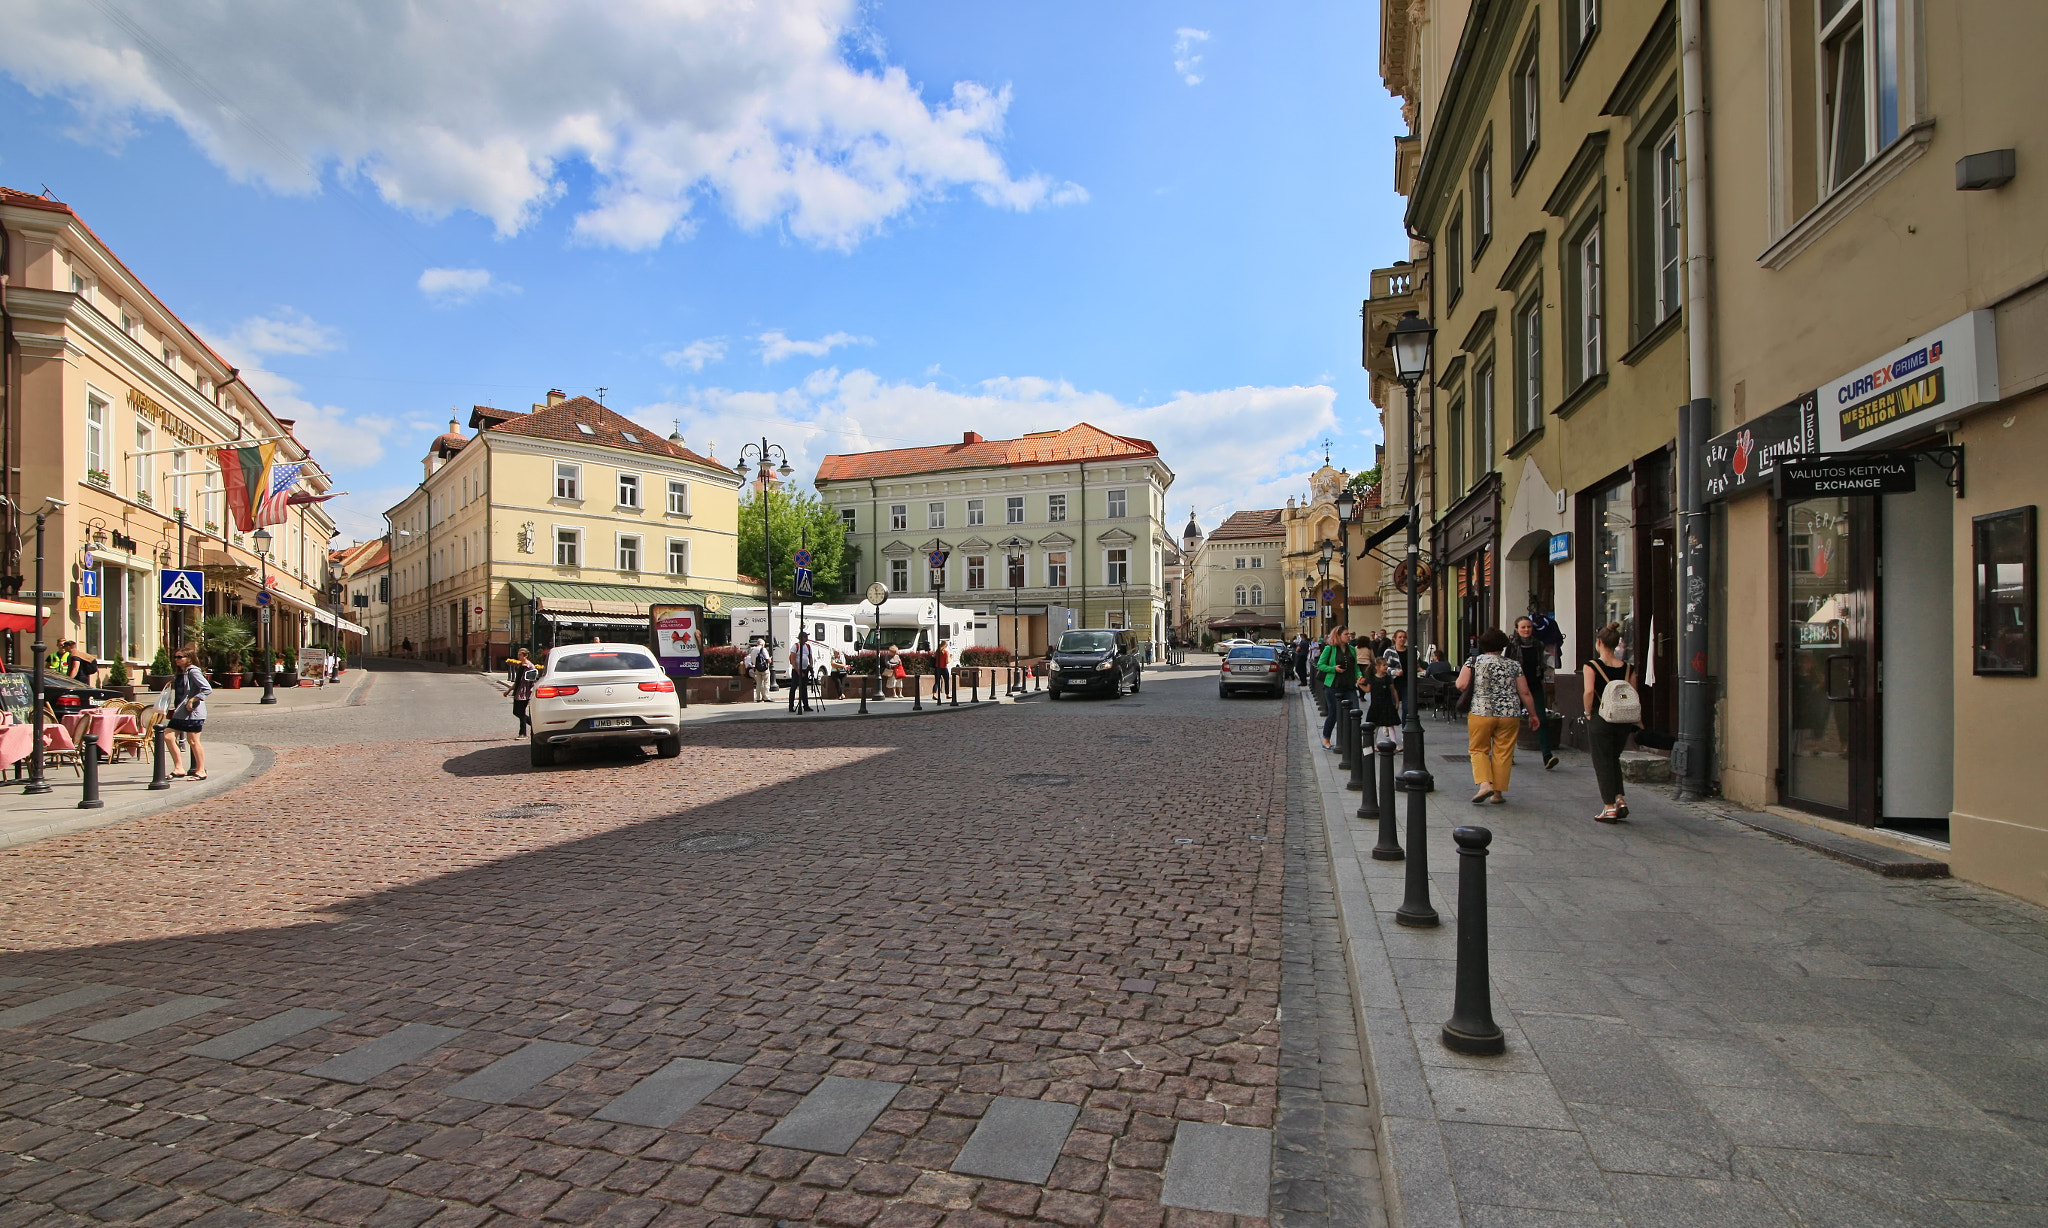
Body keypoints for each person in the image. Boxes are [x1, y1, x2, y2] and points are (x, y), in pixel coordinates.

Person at [1459, 627, 1541, 805]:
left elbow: (1461, 684)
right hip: (1509, 714)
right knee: (1503, 752)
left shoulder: (1474, 661)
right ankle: (1497, 793)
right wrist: (1533, 715)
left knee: (1479, 749)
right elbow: (1525, 692)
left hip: (1481, 711)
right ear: (1503, 645)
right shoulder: (1513, 665)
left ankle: (1484, 785)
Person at [1583, 623, 1639, 822]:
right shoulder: (1628, 668)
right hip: (1623, 719)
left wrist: (1587, 713)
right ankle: (1619, 798)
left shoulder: (1591, 666)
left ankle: (1609, 807)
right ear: (1616, 644)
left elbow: (1589, 691)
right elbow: (1632, 693)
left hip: (1602, 717)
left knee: (1602, 761)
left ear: (1599, 642)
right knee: (1614, 758)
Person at [1511, 615, 1560, 770]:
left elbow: (1542, 664)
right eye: (1523, 627)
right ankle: (1508, 754)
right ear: (1517, 629)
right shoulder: (1512, 646)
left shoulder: (1538, 644)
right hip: (1516, 687)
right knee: (1512, 720)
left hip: (1534, 685)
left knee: (1541, 718)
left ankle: (1547, 756)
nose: (1526, 630)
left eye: (1529, 627)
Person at [164, 646, 212, 780]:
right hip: (180, 712)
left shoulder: (193, 671)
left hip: (193, 712)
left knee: (193, 741)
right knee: (168, 735)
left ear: (189, 658)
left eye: (180, 657)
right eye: (175, 657)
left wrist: (194, 699)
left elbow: (207, 688)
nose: (176, 660)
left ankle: (201, 770)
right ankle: (179, 768)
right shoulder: (181, 672)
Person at [1316, 627, 1359, 749]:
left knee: (1355, 712)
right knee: (1333, 714)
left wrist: (1359, 677)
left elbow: (1355, 667)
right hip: (1333, 686)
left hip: (1349, 686)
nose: (1348, 636)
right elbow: (1320, 665)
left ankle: (1352, 740)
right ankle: (1326, 739)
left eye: (1349, 634)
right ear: (1338, 636)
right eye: (1346, 634)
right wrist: (1333, 669)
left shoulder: (1352, 649)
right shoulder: (1330, 649)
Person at [503, 664, 538, 737]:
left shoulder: (530, 667)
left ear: (526, 656)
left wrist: (531, 693)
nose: (519, 656)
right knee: (516, 712)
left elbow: (532, 682)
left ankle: (522, 733)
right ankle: (534, 725)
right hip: (517, 692)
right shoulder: (521, 666)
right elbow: (517, 681)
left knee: (521, 713)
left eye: (520, 655)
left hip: (525, 693)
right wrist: (509, 690)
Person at [787, 632, 817, 713]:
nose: (807, 638)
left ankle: (806, 705)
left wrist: (810, 665)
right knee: (793, 687)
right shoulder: (795, 646)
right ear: (802, 637)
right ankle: (791, 706)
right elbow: (792, 660)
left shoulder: (808, 646)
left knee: (804, 688)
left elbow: (810, 657)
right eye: (805, 637)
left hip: (805, 669)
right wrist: (798, 670)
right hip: (796, 670)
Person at [743, 637, 774, 702]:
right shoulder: (763, 649)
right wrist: (770, 659)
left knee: (758, 683)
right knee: (766, 682)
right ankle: (766, 697)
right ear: (762, 644)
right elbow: (768, 660)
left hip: (756, 669)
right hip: (764, 669)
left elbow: (752, 662)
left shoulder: (753, 650)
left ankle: (758, 698)